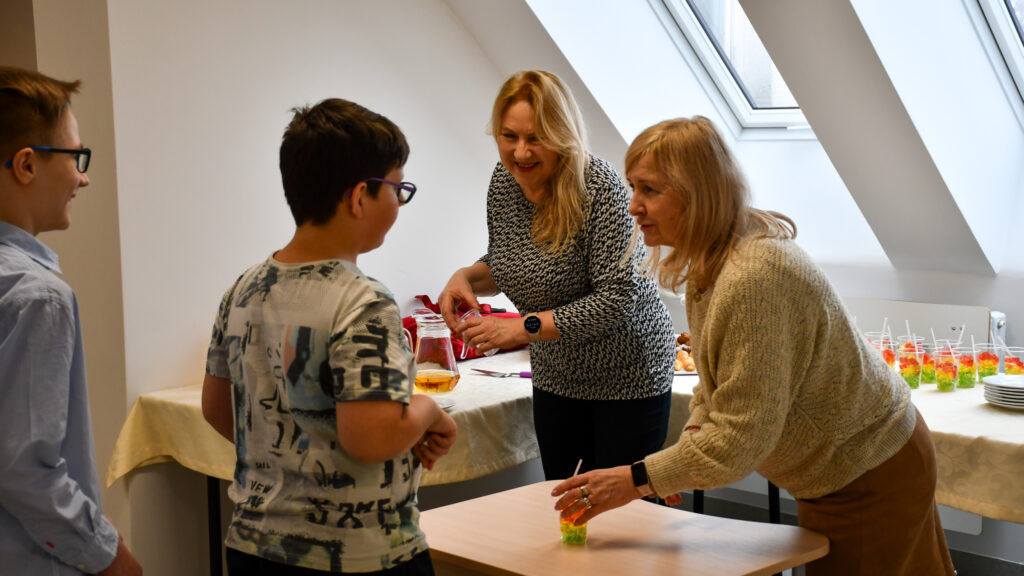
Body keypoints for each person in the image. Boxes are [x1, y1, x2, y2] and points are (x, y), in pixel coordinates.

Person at [552, 116, 956, 575]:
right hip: (847, 469)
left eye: (650, 190)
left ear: (697, 194)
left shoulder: (752, 278)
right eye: (633, 187)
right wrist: (677, 461)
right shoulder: (713, 261)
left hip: (868, 469)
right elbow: (714, 391)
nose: (633, 206)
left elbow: (739, 440)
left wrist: (639, 479)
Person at [201, 98, 457, 575]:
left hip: (254, 546)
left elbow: (218, 409)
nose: (399, 204)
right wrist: (427, 412)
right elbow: (372, 437)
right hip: (360, 555)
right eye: (397, 190)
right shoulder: (363, 301)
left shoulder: (242, 288)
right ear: (359, 197)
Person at [438, 71, 675, 481]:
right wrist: (468, 277)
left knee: (621, 512)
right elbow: (514, 260)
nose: (521, 152)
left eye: (536, 138)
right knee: (564, 504)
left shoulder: (599, 186)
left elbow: (618, 297)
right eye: (509, 136)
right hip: (556, 374)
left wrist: (522, 328)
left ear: (563, 135)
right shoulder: (504, 182)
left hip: (628, 376)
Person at [0, 67, 142, 575]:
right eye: (76, 157)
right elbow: (25, 471)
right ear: (26, 164)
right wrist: (106, 553)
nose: (84, 177)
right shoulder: (39, 296)